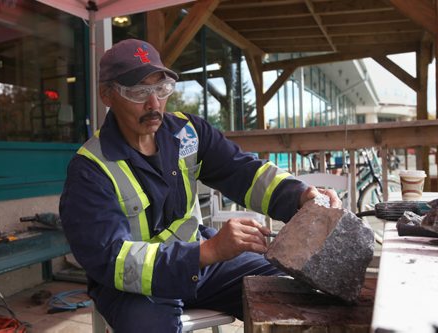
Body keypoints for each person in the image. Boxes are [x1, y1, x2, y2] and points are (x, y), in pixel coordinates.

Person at [59, 38, 340, 332]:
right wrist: (208, 252)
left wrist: (300, 196)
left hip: (200, 262)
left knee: (284, 293)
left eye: (161, 88)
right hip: (134, 286)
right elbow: (112, 259)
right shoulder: (89, 170)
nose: (154, 104)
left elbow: (243, 171)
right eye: (138, 91)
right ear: (107, 95)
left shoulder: (186, 132)